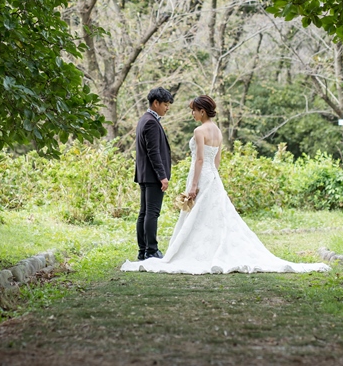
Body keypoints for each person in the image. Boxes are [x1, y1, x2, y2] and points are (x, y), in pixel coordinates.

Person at [121, 95, 330, 274]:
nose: (192, 114)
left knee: (198, 214)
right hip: (212, 176)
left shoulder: (199, 131)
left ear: (202, 111)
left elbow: (200, 160)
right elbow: (216, 161)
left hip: (200, 175)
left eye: (194, 111)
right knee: (215, 215)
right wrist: (213, 177)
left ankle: (194, 250)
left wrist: (193, 186)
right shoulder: (218, 132)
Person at [133, 87, 174, 261]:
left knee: (144, 212)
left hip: (145, 175)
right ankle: (151, 250)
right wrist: (162, 176)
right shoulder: (151, 122)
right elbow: (153, 152)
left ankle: (143, 250)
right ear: (155, 103)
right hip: (152, 176)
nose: (167, 108)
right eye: (165, 104)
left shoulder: (144, 119)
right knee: (152, 213)